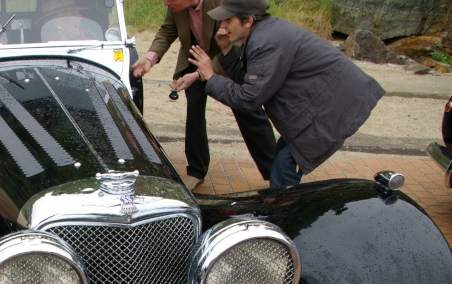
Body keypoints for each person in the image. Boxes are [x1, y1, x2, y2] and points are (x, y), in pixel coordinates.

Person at [183, 0, 385, 188]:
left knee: (282, 172)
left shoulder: (265, 42)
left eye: (228, 19)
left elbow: (248, 98)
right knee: (280, 163)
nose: (223, 24)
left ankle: (285, 219)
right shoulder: (262, 33)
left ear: (248, 21)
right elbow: (250, 81)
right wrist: (226, 49)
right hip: (319, 106)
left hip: (331, 108)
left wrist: (210, 76)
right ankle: (284, 211)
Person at [131, 0, 276, 188]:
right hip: (195, 59)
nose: (166, 2)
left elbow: (239, 39)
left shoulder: (222, 3)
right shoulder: (176, 6)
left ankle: (275, 171)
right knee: (194, 111)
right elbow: (167, 31)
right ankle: (196, 170)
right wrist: (150, 59)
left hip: (228, 57)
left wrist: (203, 72)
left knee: (248, 111)